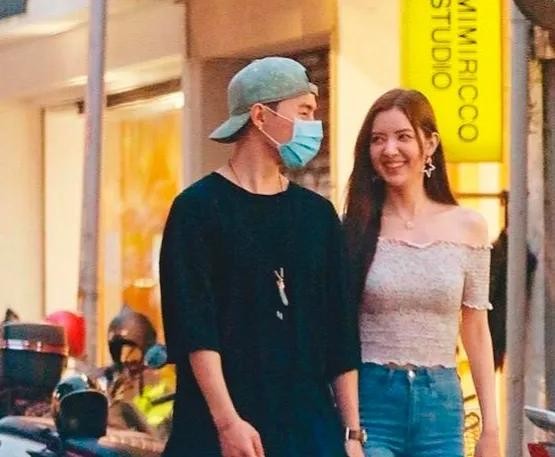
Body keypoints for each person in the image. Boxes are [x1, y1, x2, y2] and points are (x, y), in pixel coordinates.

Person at [159, 57, 364, 457]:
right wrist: (227, 421)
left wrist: (352, 435)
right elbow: (195, 329)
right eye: (303, 112)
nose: (313, 126)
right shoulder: (197, 210)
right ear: (260, 115)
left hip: (308, 432)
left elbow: (339, 334)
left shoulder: (317, 216)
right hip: (220, 431)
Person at [342, 89, 500, 457]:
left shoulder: (469, 227)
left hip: (440, 406)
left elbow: (476, 329)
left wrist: (490, 428)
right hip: (371, 403)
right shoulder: (353, 227)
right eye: (377, 140)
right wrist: (351, 430)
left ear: (430, 144)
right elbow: (339, 331)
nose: (389, 150)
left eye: (403, 136)